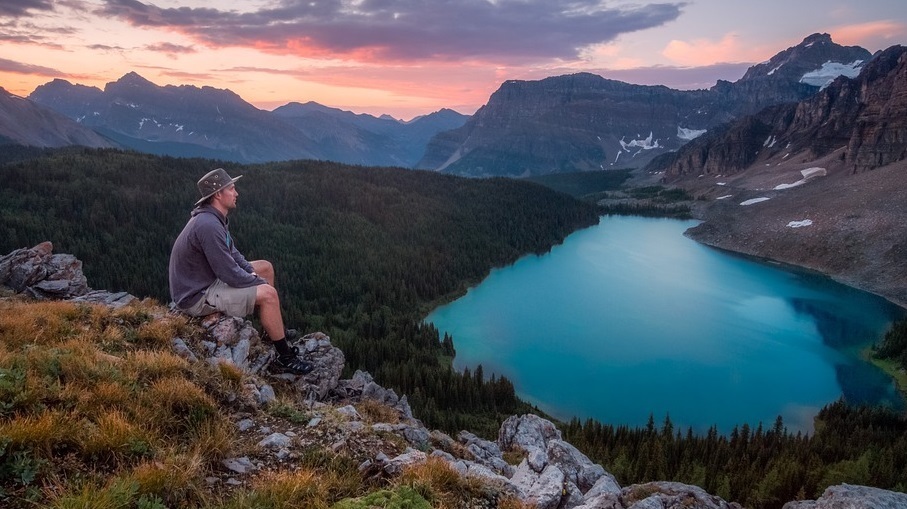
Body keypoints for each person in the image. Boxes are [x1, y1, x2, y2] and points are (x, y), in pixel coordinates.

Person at [168, 167, 313, 375]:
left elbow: (234, 256)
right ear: (218, 194)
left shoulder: (215, 219)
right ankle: (285, 357)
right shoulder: (208, 225)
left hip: (206, 281)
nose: (237, 193)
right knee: (269, 294)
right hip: (196, 296)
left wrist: (253, 275)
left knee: (265, 267)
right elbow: (228, 273)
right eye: (232, 188)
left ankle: (270, 331)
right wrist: (255, 282)